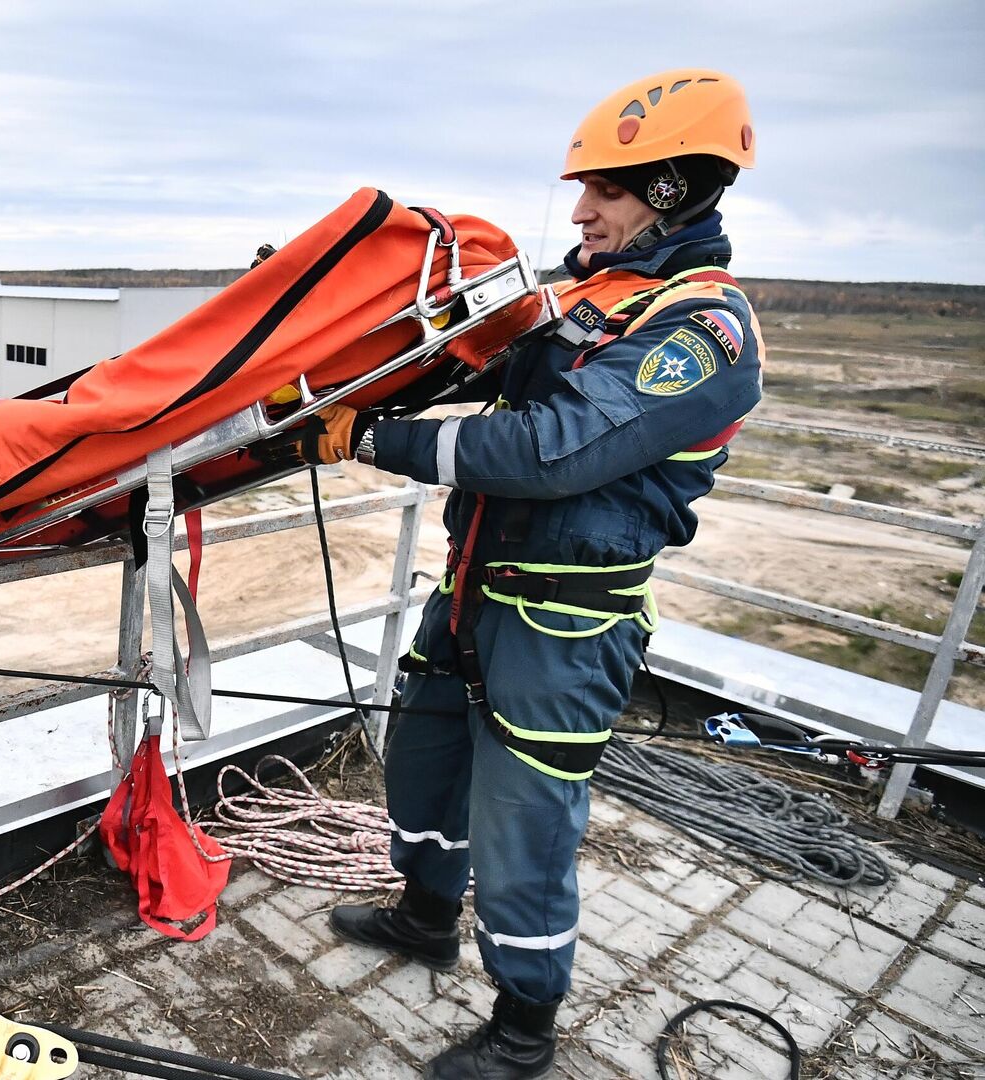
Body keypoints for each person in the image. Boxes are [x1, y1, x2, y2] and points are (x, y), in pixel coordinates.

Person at [256, 69, 762, 1079]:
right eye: (584, 190)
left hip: (567, 627)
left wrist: (367, 439)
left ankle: (526, 1028)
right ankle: (426, 916)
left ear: (673, 191)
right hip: (475, 592)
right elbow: (458, 357)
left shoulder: (701, 329)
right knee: (425, 767)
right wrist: (320, 313)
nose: (582, 211)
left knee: (524, 825)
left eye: (607, 193)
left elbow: (552, 451)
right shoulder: (582, 299)